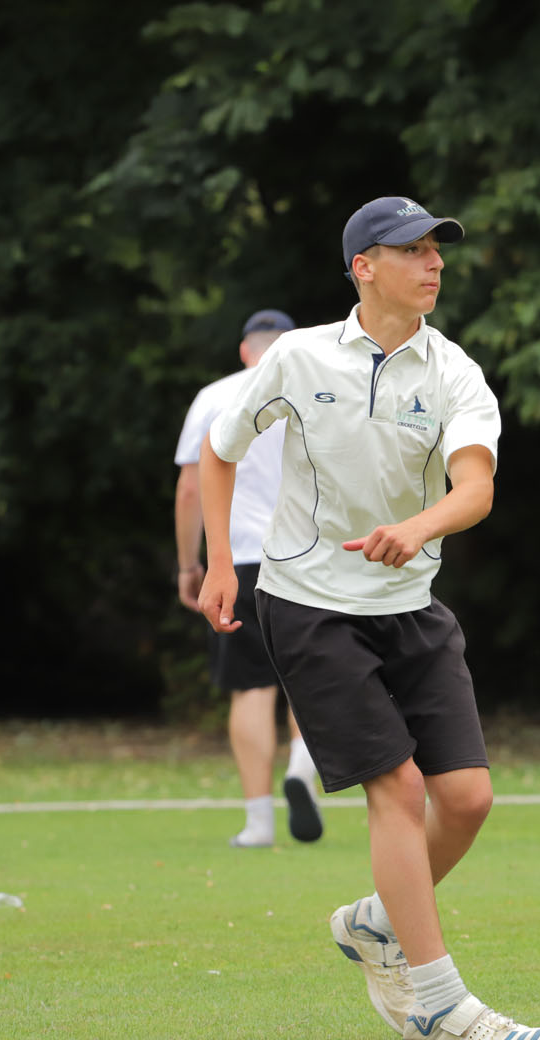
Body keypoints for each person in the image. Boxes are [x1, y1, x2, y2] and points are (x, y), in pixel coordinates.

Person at [196, 196, 540, 1040]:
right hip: (308, 602)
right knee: (397, 788)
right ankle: (437, 1006)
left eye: (438, 250)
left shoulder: (455, 371)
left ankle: (376, 920)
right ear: (364, 267)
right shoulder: (297, 355)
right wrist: (217, 563)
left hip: (411, 604)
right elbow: (219, 448)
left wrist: (418, 528)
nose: (435, 263)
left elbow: (476, 488)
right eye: (413, 250)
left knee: (467, 798)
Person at [174, 309, 324, 848]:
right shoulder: (316, 393)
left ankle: (259, 823)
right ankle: (302, 768)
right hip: (308, 556)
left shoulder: (214, 397)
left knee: (251, 688)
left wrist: (189, 564)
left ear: (245, 350)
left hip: (236, 559)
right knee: (309, 678)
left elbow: (191, 488)